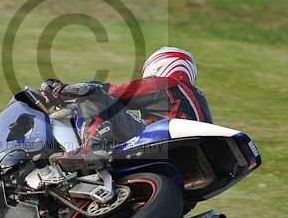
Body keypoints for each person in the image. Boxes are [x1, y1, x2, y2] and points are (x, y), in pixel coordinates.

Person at [40, 47, 212, 169]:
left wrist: (62, 91)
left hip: (163, 143)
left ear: (160, 65)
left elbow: (113, 93)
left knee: (95, 92)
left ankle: (90, 148)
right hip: (192, 161)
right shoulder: (199, 99)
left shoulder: (167, 84)